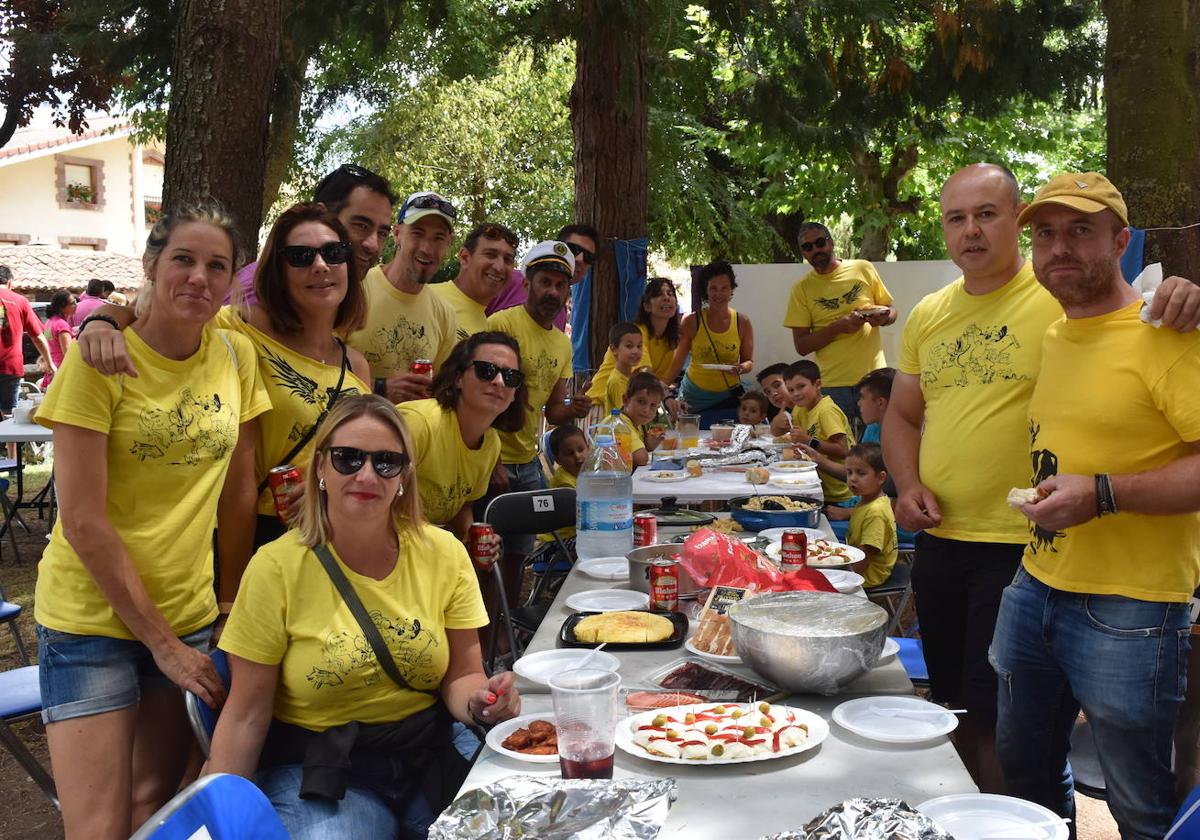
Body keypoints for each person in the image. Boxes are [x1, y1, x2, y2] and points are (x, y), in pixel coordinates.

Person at [882, 162, 1200, 793]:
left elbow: (1137, 319)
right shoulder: (964, 317)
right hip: (985, 554)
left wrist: (1185, 293)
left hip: (1057, 564)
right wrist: (905, 482)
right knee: (984, 727)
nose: (971, 231)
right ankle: (991, 824)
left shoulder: (1100, 311)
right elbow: (902, 412)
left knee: (1108, 775)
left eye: (987, 214)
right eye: (956, 218)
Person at [33, 203, 270, 839]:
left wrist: (226, 603)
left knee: (156, 805)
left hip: (189, 615)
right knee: (98, 826)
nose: (198, 277)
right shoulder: (99, 360)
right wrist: (159, 644)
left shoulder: (234, 355)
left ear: (230, 282)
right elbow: (82, 522)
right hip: (90, 621)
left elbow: (238, 487)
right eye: (183, 260)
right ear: (150, 267)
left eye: (215, 265)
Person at [990, 172, 1200, 839]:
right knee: (1025, 772)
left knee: (1138, 804)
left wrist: (1104, 493)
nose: (1059, 248)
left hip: (1132, 606)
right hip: (1035, 584)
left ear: (1121, 240)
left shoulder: (1166, 333)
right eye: (1045, 234)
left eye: (1080, 230)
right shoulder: (1055, 333)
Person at [207, 395, 520, 839]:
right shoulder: (275, 567)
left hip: (428, 754)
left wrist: (482, 702)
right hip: (322, 771)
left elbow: (462, 676)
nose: (367, 475)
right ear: (320, 467)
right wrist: (225, 819)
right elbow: (246, 716)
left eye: (387, 462)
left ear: (404, 477)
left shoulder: (444, 553)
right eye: (348, 458)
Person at [74, 203, 375, 559]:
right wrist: (104, 319)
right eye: (300, 256)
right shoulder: (237, 329)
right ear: (278, 271)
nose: (320, 265)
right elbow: (158, 313)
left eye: (333, 252)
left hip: (332, 536)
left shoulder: (355, 365)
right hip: (256, 531)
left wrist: (325, 489)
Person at [484, 241, 592, 603]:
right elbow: (477, 399)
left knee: (518, 556)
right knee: (484, 557)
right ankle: (481, 638)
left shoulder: (562, 344)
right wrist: (491, 458)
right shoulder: (502, 324)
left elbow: (553, 413)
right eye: (545, 282)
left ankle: (508, 626)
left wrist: (574, 408)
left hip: (529, 464)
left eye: (561, 286)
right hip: (489, 461)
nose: (553, 292)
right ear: (527, 282)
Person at [398, 331, 526, 538]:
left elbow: (462, 506)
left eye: (511, 377)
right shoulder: (419, 424)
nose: (499, 382)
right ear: (458, 378)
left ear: (514, 395)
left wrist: (474, 539)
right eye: (486, 370)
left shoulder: (491, 443)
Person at [347, 190, 459, 402]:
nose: (427, 248)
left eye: (438, 238)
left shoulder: (445, 315)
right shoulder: (355, 289)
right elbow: (319, 370)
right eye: (417, 233)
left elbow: (442, 392)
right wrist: (379, 388)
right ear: (397, 234)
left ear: (448, 244)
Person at [233, 163, 396, 306]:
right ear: (320, 214)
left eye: (382, 233)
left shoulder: (328, 295)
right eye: (360, 225)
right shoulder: (256, 296)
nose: (373, 245)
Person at [784, 223, 896, 425]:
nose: (815, 250)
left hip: (873, 378)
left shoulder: (863, 268)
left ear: (831, 242)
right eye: (808, 247)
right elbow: (801, 346)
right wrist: (838, 327)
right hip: (832, 384)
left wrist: (884, 317)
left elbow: (891, 310)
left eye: (819, 242)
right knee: (839, 450)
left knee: (879, 449)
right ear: (803, 253)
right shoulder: (801, 289)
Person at [667, 260, 754, 415]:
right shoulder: (691, 321)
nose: (719, 294)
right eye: (713, 288)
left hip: (729, 395)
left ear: (731, 289)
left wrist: (741, 368)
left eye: (724, 288)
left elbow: (748, 362)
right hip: (694, 396)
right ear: (706, 291)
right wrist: (662, 388)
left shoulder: (742, 322)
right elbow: (677, 363)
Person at [486, 223, 599, 331]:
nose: (579, 259)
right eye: (574, 249)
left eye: (588, 257)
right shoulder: (508, 279)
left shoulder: (559, 313)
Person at [590, 276, 681, 398]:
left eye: (670, 294)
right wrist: (667, 398)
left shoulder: (670, 340)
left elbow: (661, 382)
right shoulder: (638, 334)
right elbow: (643, 374)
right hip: (601, 400)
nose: (666, 298)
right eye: (659, 294)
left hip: (630, 405)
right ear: (647, 306)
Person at [785, 360, 854, 506]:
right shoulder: (799, 409)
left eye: (801, 387)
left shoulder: (826, 411)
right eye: (790, 390)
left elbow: (843, 450)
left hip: (839, 493)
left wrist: (808, 441)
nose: (796, 394)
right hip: (817, 483)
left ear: (817, 385)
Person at [433, 224, 519, 340]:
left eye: (507, 259)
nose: (499, 267)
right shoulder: (431, 298)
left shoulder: (487, 327)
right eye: (490, 255)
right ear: (465, 258)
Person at [0, 264, 55, 415]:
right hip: (10, 365)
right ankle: (10, 439)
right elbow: (37, 336)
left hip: (10, 366)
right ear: (10, 283)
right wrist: (50, 363)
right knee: (10, 414)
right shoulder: (20, 301)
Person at [844, 443, 897, 588]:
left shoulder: (876, 513)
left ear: (880, 478)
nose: (853, 479)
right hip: (855, 561)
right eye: (849, 472)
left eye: (861, 473)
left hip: (867, 574)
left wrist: (847, 581)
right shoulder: (866, 499)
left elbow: (866, 554)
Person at [538, 424, 588, 543]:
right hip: (560, 540)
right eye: (570, 453)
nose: (577, 456)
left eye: (581, 449)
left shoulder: (585, 473)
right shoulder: (564, 484)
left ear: (589, 448)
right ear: (558, 460)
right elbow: (586, 517)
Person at [620, 371, 667, 467]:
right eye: (641, 402)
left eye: (653, 405)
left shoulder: (639, 425)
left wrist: (649, 446)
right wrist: (645, 450)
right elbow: (640, 459)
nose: (646, 410)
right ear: (625, 400)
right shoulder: (619, 423)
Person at [597, 321, 643, 414]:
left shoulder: (631, 378)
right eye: (629, 346)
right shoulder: (616, 381)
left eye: (639, 346)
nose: (636, 351)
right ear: (614, 349)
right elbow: (626, 416)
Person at [40, 288, 76, 388]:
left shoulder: (50, 322)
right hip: (61, 369)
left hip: (52, 366)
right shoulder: (62, 325)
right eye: (72, 303)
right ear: (62, 307)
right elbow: (68, 353)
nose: (75, 305)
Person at [855, 367, 895, 444]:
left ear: (880, 403)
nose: (859, 403)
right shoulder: (872, 428)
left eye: (863, 397)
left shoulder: (903, 436)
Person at [756, 362, 794, 435]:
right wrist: (775, 426)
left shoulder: (809, 407)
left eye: (777, 385)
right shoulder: (784, 414)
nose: (773, 394)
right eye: (768, 392)